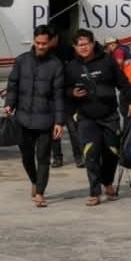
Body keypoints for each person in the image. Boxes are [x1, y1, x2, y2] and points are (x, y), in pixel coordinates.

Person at [66, 29, 131, 206]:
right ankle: (94, 191)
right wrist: (72, 92)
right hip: (86, 118)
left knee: (112, 153)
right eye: (79, 45)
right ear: (74, 47)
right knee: (90, 154)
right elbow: (63, 90)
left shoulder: (107, 61)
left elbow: (123, 83)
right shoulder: (71, 66)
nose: (83, 48)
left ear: (92, 44)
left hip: (109, 116)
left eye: (86, 44)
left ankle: (108, 183)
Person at [3, 25, 66, 208]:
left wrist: (59, 122)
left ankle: (40, 193)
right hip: (23, 118)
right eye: (38, 43)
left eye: (44, 43)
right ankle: (34, 180)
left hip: (46, 121)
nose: (40, 46)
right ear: (34, 41)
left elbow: (59, 96)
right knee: (26, 156)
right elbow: (13, 86)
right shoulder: (21, 61)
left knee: (43, 158)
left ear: (50, 42)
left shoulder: (56, 65)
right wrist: (9, 104)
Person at [48, 30, 84, 168]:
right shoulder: (45, 53)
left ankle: (79, 157)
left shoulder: (68, 51)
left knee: (73, 130)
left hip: (68, 98)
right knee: (55, 130)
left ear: (56, 37)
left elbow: (75, 75)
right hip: (53, 98)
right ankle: (57, 157)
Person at [106, 37, 131, 117]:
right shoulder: (124, 49)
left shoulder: (118, 51)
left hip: (129, 83)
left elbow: (119, 62)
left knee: (125, 108)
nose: (109, 47)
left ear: (113, 44)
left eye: (108, 46)